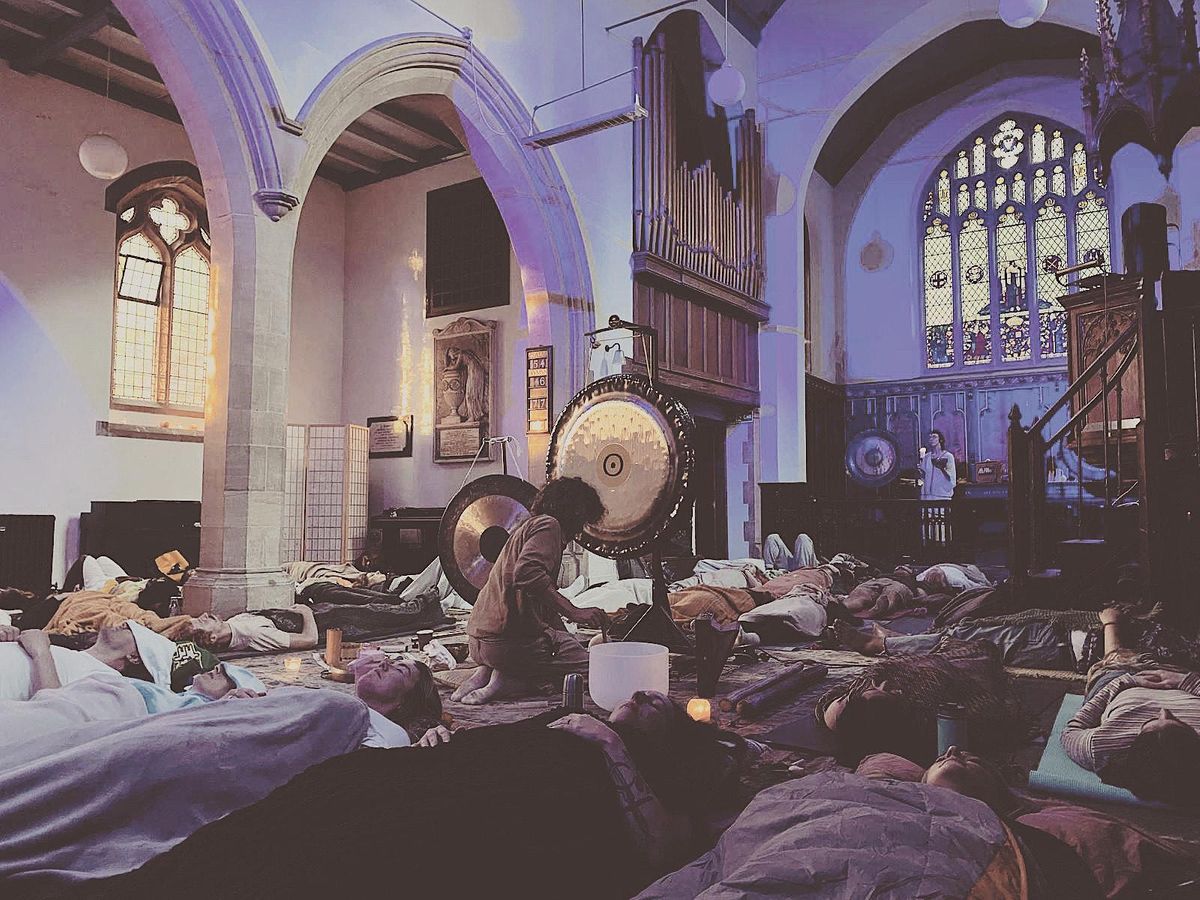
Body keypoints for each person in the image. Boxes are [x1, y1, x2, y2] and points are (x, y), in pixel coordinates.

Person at [73, 692, 748, 899]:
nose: (643, 696)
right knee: (326, 792)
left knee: (348, 847)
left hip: (483, 811)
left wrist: (606, 748)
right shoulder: (580, 720)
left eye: (655, 706)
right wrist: (439, 743)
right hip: (412, 777)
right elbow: (486, 741)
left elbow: (665, 838)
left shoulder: (624, 770)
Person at [454, 476, 610, 705]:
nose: (582, 528)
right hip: (507, 646)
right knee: (591, 668)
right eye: (583, 519)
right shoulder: (550, 525)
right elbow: (526, 573)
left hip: (479, 642)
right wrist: (574, 612)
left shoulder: (526, 529)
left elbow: (541, 600)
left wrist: (565, 635)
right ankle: (506, 680)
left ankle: (486, 672)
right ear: (577, 511)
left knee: (565, 643)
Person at [817, 638, 1028, 765]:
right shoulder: (929, 709)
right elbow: (997, 711)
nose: (874, 685)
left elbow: (831, 697)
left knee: (941, 643)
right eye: (879, 691)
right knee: (981, 646)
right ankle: (881, 640)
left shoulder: (869, 690)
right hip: (965, 667)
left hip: (935, 660)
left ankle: (882, 640)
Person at [186, 604, 318, 653]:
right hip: (315, 619)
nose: (204, 615)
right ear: (212, 638)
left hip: (294, 612)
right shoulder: (255, 635)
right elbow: (310, 639)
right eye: (202, 622)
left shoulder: (233, 623)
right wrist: (307, 612)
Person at [918, 429, 956, 500]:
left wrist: (942, 468)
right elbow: (922, 477)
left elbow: (952, 476)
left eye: (934, 437)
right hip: (927, 496)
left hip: (942, 495)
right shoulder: (927, 457)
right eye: (930, 437)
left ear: (940, 440)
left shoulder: (948, 456)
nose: (931, 439)